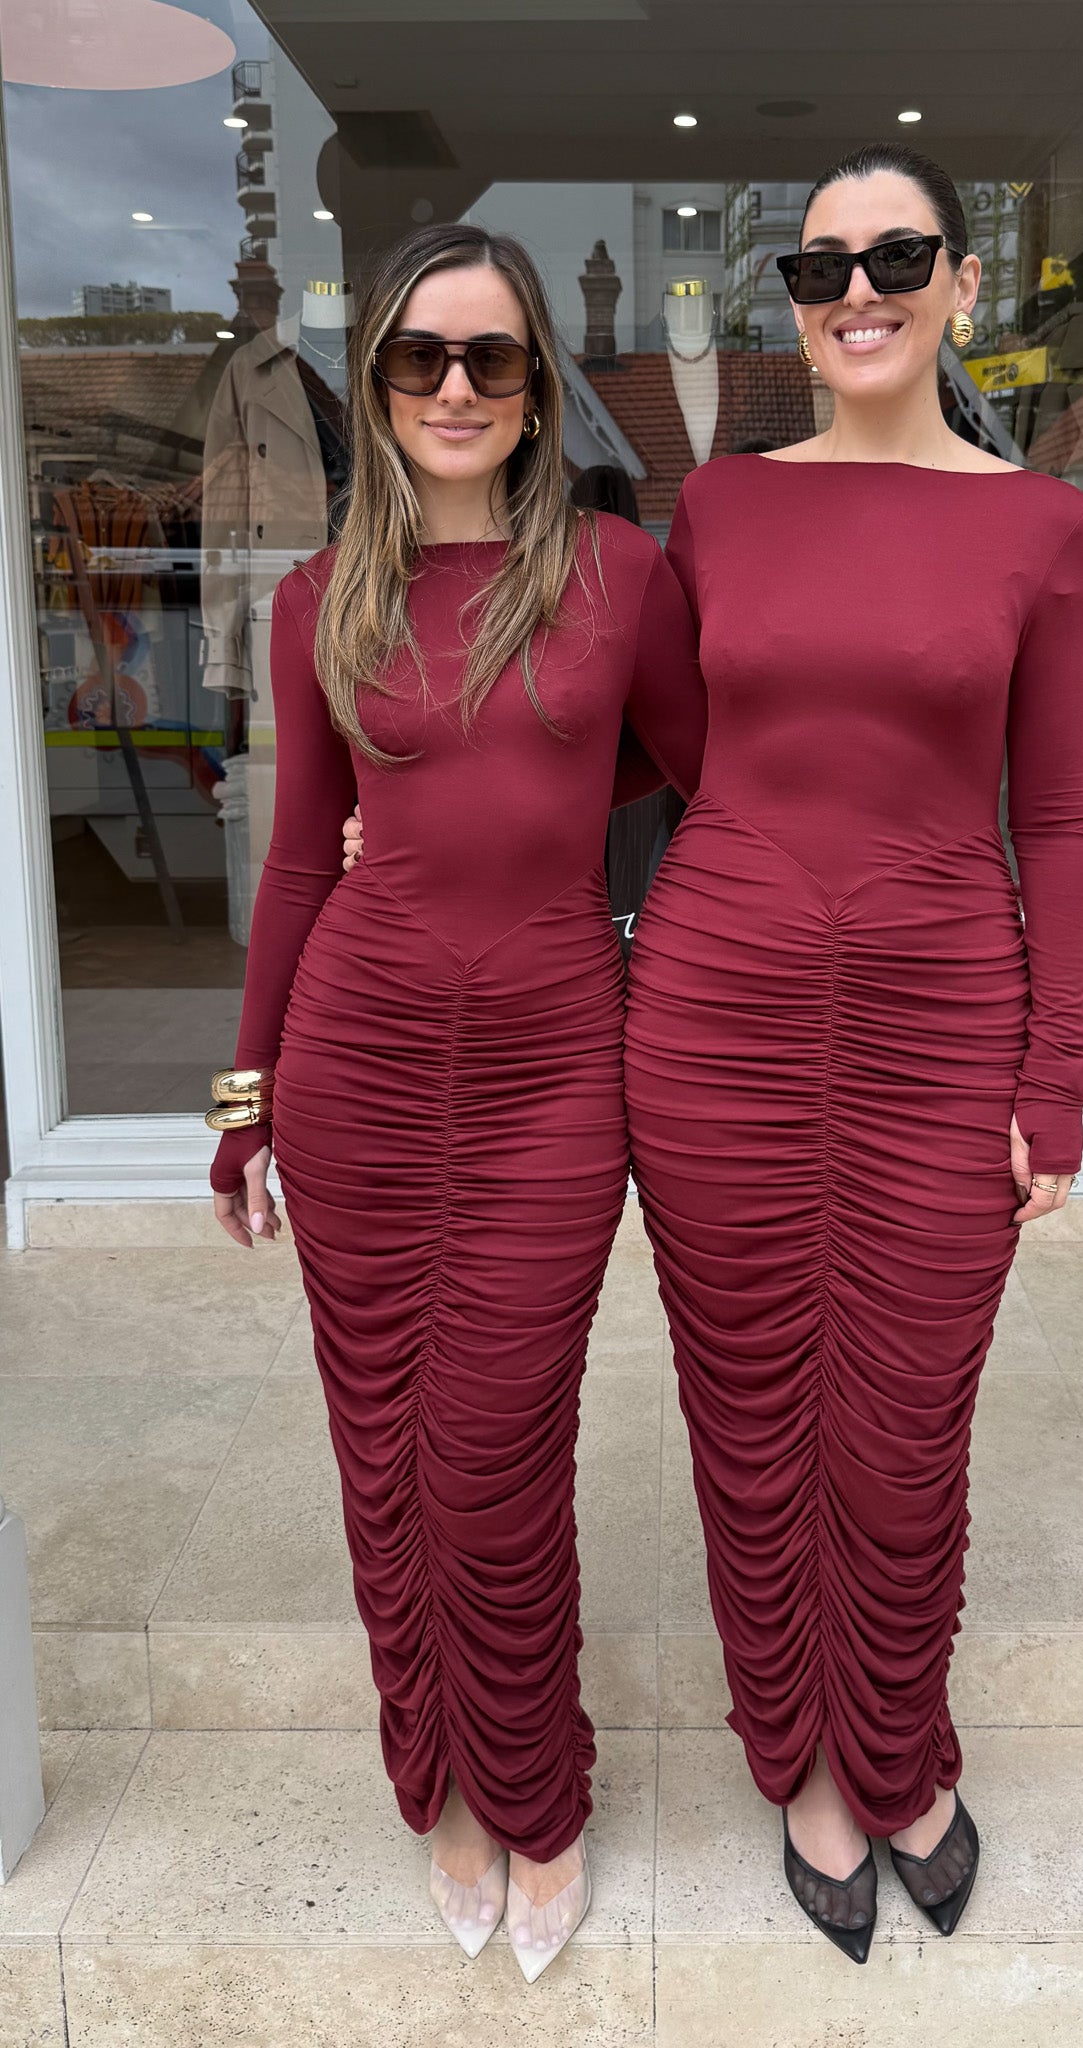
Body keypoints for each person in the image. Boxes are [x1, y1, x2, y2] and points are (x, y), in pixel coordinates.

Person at [622, 144, 1083, 1960]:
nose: (856, 291)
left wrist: (1052, 1071)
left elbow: (1060, 816)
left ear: (963, 286)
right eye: (818, 266)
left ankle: (896, 1750)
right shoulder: (721, 507)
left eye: (897, 256)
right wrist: (422, 806)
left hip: (940, 1021)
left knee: (906, 1424)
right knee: (751, 1417)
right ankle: (802, 1765)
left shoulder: (1042, 528)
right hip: (717, 1014)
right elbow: (654, 740)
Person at [207, 221, 705, 1983]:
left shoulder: (622, 575)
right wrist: (247, 1099)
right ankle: (441, 1785)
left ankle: (537, 1791)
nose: (454, 389)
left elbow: (692, 765)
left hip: (555, 1073)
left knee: (495, 1455)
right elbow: (295, 861)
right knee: (386, 1459)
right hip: (358, 1064)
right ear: (375, 383)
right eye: (419, 358)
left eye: (491, 358)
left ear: (538, 386)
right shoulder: (317, 598)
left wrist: (540, 799)